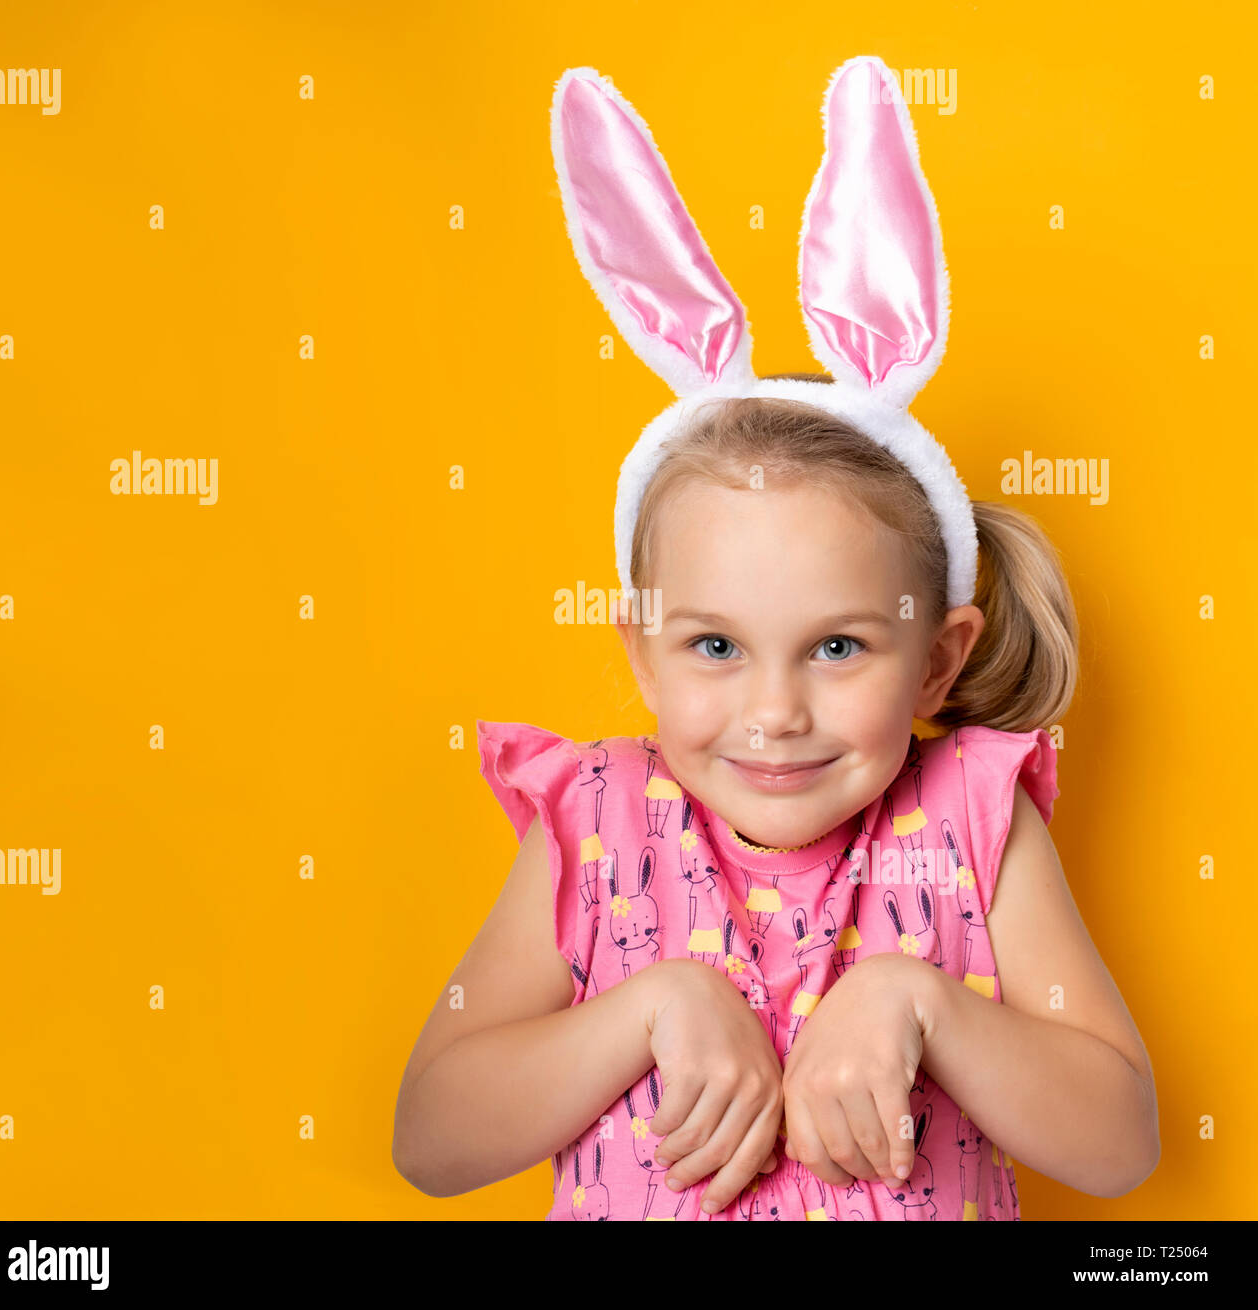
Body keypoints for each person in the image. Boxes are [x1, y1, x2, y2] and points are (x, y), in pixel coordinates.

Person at [392, 56, 1158, 1221]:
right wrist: (647, 1006)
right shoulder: (594, 822)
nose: (774, 709)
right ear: (640, 652)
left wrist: (924, 1002)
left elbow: (1119, 1143)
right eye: (714, 648)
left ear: (937, 661)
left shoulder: (969, 821)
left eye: (838, 648)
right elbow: (431, 1137)